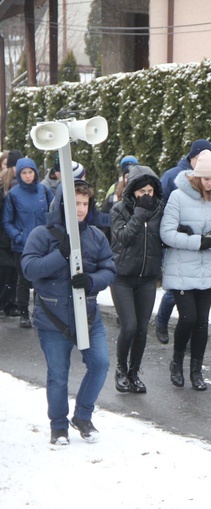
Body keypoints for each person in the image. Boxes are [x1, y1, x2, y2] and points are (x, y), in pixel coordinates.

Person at [21, 179, 116, 445]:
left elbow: (109, 269)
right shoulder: (42, 234)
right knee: (58, 375)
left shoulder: (96, 236)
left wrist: (92, 281)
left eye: (85, 203)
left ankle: (83, 416)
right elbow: (29, 269)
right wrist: (60, 255)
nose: (81, 209)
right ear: (63, 203)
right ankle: (59, 426)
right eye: (75, 203)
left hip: (87, 317)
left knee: (100, 364)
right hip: (53, 319)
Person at [160, 150, 211, 391]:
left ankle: (196, 370)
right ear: (196, 176)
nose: (210, 183)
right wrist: (196, 242)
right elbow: (166, 233)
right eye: (206, 178)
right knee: (188, 317)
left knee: (202, 322)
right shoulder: (178, 197)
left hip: (208, 268)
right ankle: (177, 362)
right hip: (181, 267)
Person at [109, 165, 163, 394]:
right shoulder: (118, 209)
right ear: (132, 192)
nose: (146, 196)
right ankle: (121, 369)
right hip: (122, 276)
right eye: (141, 192)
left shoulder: (160, 209)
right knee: (129, 326)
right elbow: (123, 237)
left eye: (150, 191)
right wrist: (140, 213)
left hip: (147, 277)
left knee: (142, 328)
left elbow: (165, 234)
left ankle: (134, 371)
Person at [156, 140, 211, 344]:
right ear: (192, 156)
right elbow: (160, 205)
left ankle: (189, 338)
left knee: (196, 295)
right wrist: (175, 226)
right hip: (178, 242)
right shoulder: (172, 176)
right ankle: (161, 321)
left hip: (201, 246)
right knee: (176, 291)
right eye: (200, 157)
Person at [3, 157, 54, 328]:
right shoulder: (13, 194)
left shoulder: (44, 191)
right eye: (23, 173)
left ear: (35, 173)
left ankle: (41, 312)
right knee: (23, 279)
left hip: (43, 243)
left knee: (42, 278)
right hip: (21, 244)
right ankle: (23, 313)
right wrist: (18, 236)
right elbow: (7, 221)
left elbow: (53, 213)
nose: (27, 176)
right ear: (19, 173)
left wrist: (51, 234)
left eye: (30, 172)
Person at [0, 151, 18, 317]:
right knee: (7, 269)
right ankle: (7, 303)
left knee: (10, 270)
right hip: (5, 234)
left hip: (8, 233)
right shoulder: (5, 184)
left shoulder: (14, 183)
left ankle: (9, 303)